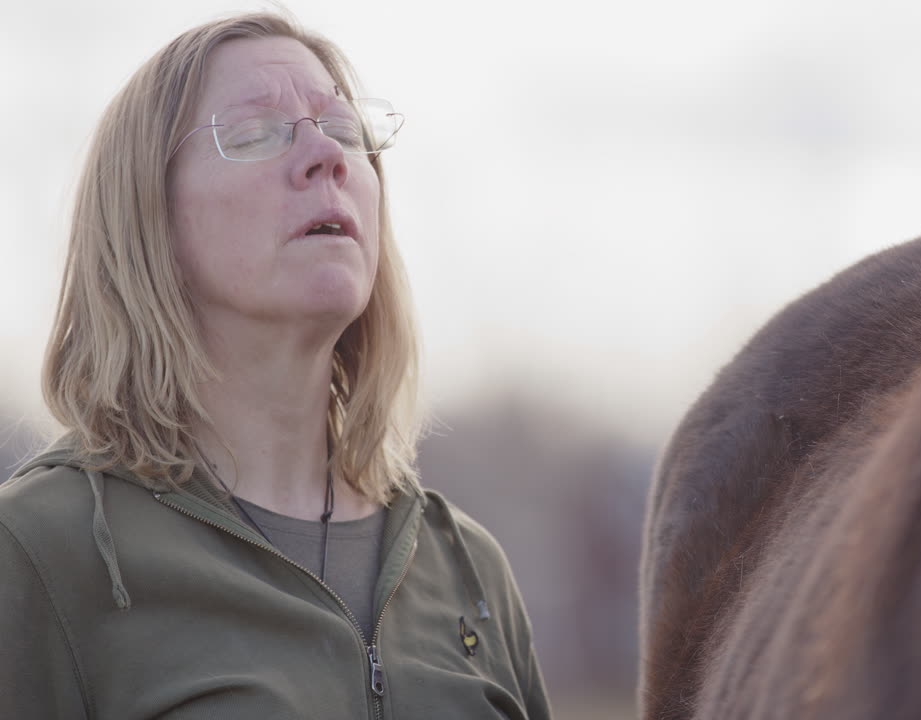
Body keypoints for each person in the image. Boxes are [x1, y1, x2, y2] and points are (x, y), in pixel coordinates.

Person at [0, 12, 552, 719]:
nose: (327, 157)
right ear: (146, 219)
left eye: (344, 129)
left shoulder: (467, 566)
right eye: (257, 132)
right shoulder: (41, 551)